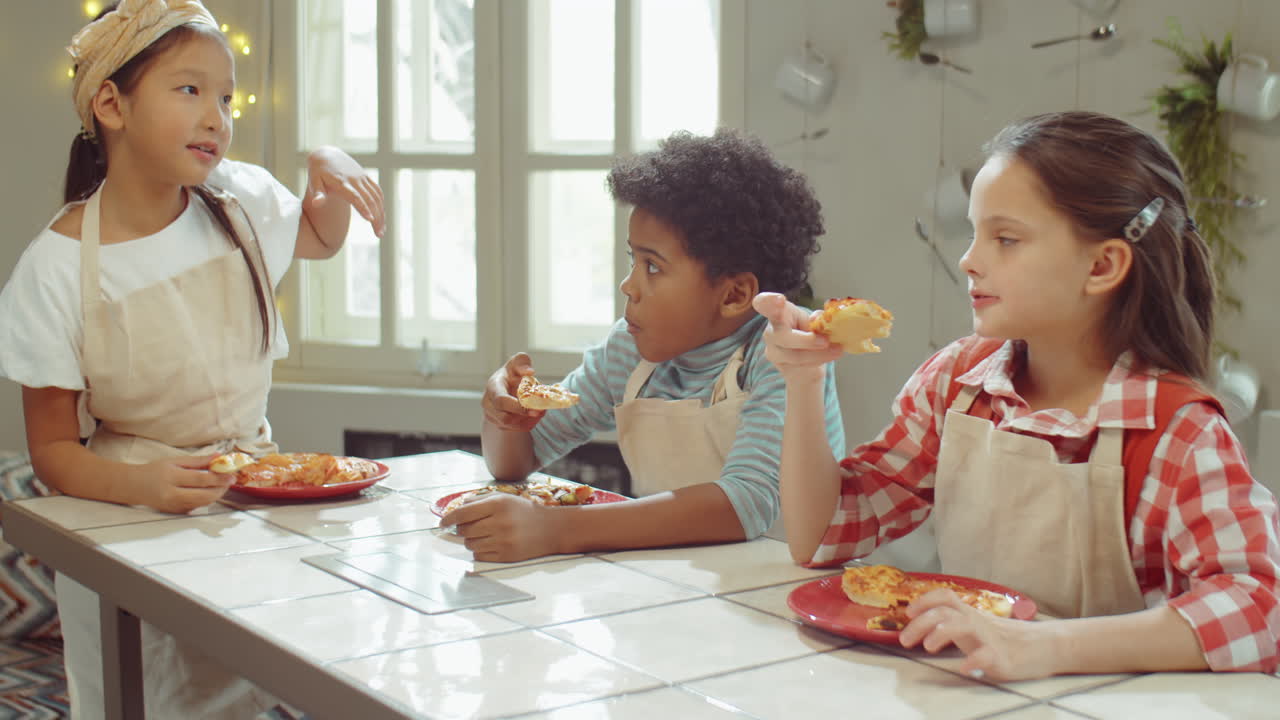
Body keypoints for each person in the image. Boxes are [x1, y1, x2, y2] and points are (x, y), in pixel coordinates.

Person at [754, 110, 1280, 680]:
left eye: (1005, 238)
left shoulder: (1176, 430)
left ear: (1103, 264)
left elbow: (1260, 609)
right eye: (976, 233)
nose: (969, 259)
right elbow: (825, 533)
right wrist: (805, 380)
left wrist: (1044, 648)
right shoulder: (958, 383)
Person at [0, 1, 385, 716]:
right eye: (190, 90)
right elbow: (53, 451)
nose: (217, 115)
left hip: (247, 502)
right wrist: (143, 483)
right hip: (127, 524)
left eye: (227, 97)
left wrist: (326, 168)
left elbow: (320, 238)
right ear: (110, 104)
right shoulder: (55, 268)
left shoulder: (235, 200)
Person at [444, 128, 845, 562]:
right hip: (668, 587)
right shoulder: (628, 349)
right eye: (632, 260)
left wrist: (557, 530)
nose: (628, 285)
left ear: (733, 295)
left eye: (652, 266)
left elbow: (745, 505)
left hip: (779, 596)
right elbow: (515, 463)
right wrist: (505, 417)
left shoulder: (783, 357)